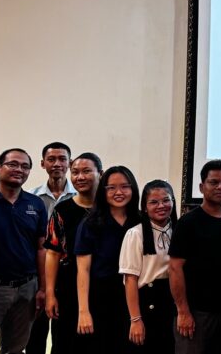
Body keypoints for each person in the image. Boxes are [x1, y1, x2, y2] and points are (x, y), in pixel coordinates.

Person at [168, 160, 221, 354]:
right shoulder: (188, 223)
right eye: (214, 182)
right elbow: (175, 269)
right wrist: (183, 312)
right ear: (201, 187)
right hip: (195, 314)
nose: (220, 187)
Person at [0, 149, 47, 354]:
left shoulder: (35, 204)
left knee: (16, 349)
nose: (19, 169)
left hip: (27, 288)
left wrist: (43, 288)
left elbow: (41, 248)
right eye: (13, 164)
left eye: (25, 166)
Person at [74, 165, 141, 353]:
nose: (118, 192)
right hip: (100, 299)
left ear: (133, 189)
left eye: (125, 186)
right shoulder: (91, 223)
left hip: (134, 299)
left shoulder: (140, 221)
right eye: (111, 187)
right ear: (103, 191)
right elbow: (83, 270)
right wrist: (83, 311)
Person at [43, 152, 101, 354]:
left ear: (100, 174)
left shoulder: (110, 209)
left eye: (86, 171)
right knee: (67, 343)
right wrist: (50, 293)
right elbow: (52, 253)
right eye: (75, 172)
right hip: (68, 288)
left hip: (104, 287)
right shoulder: (62, 210)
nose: (80, 177)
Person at [27, 142, 76, 354]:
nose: (57, 164)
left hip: (68, 274)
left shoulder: (80, 198)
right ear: (42, 163)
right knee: (34, 334)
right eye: (51, 159)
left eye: (62, 159)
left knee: (63, 334)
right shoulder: (30, 198)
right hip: (38, 272)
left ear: (70, 163)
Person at [120, 179, 177, 353]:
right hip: (148, 303)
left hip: (173, 302)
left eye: (166, 200)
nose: (161, 205)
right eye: (154, 202)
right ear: (144, 207)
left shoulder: (181, 230)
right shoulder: (135, 234)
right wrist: (136, 320)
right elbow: (130, 279)